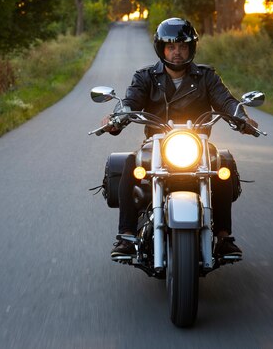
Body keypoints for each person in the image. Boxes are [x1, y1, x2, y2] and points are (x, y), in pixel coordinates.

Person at [102, 17, 259, 259]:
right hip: (156, 144)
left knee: (223, 163)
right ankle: (126, 235)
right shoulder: (145, 77)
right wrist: (116, 118)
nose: (177, 53)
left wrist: (242, 116)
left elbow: (226, 100)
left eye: (183, 47)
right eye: (171, 47)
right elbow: (130, 101)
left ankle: (224, 235)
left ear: (191, 48)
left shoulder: (206, 76)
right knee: (130, 164)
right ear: (161, 48)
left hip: (197, 144)